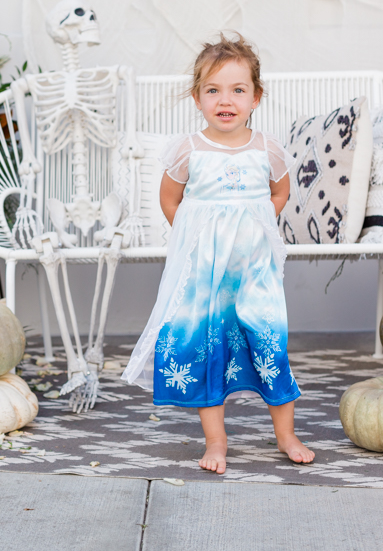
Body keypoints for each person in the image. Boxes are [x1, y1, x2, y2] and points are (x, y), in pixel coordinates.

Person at [122, 33, 314, 474]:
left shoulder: (266, 149)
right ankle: (216, 441)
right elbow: (170, 199)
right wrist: (197, 236)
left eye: (237, 90)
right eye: (213, 90)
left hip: (254, 271)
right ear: (197, 97)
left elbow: (279, 193)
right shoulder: (189, 150)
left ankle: (286, 435)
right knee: (208, 350)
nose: (225, 100)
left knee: (269, 343)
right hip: (205, 274)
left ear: (255, 97)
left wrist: (254, 224)